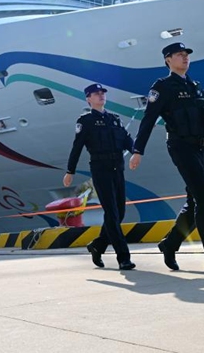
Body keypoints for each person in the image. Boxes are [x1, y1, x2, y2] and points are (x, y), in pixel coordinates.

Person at [129, 43, 204, 273]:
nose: (185, 57)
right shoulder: (162, 87)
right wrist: (137, 150)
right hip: (181, 147)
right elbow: (148, 119)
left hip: (201, 148)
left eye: (187, 54)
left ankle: (170, 244)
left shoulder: (194, 86)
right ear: (168, 59)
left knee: (194, 203)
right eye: (180, 55)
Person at [64, 83, 136, 270]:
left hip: (117, 168)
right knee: (111, 212)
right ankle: (123, 258)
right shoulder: (85, 120)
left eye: (102, 93)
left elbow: (127, 140)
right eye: (96, 94)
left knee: (119, 212)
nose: (101, 96)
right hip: (100, 169)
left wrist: (137, 152)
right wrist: (70, 171)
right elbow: (77, 146)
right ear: (88, 98)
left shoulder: (115, 119)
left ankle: (98, 245)